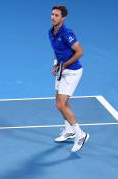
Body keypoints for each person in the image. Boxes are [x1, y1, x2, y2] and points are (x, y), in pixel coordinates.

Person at [49, 5, 89, 153]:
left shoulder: (67, 33)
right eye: (52, 14)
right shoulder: (51, 32)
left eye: (57, 15)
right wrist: (55, 65)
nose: (53, 17)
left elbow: (80, 52)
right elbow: (57, 51)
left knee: (60, 104)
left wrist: (63, 65)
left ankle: (80, 134)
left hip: (72, 71)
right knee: (60, 102)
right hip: (62, 69)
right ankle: (69, 130)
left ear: (63, 18)